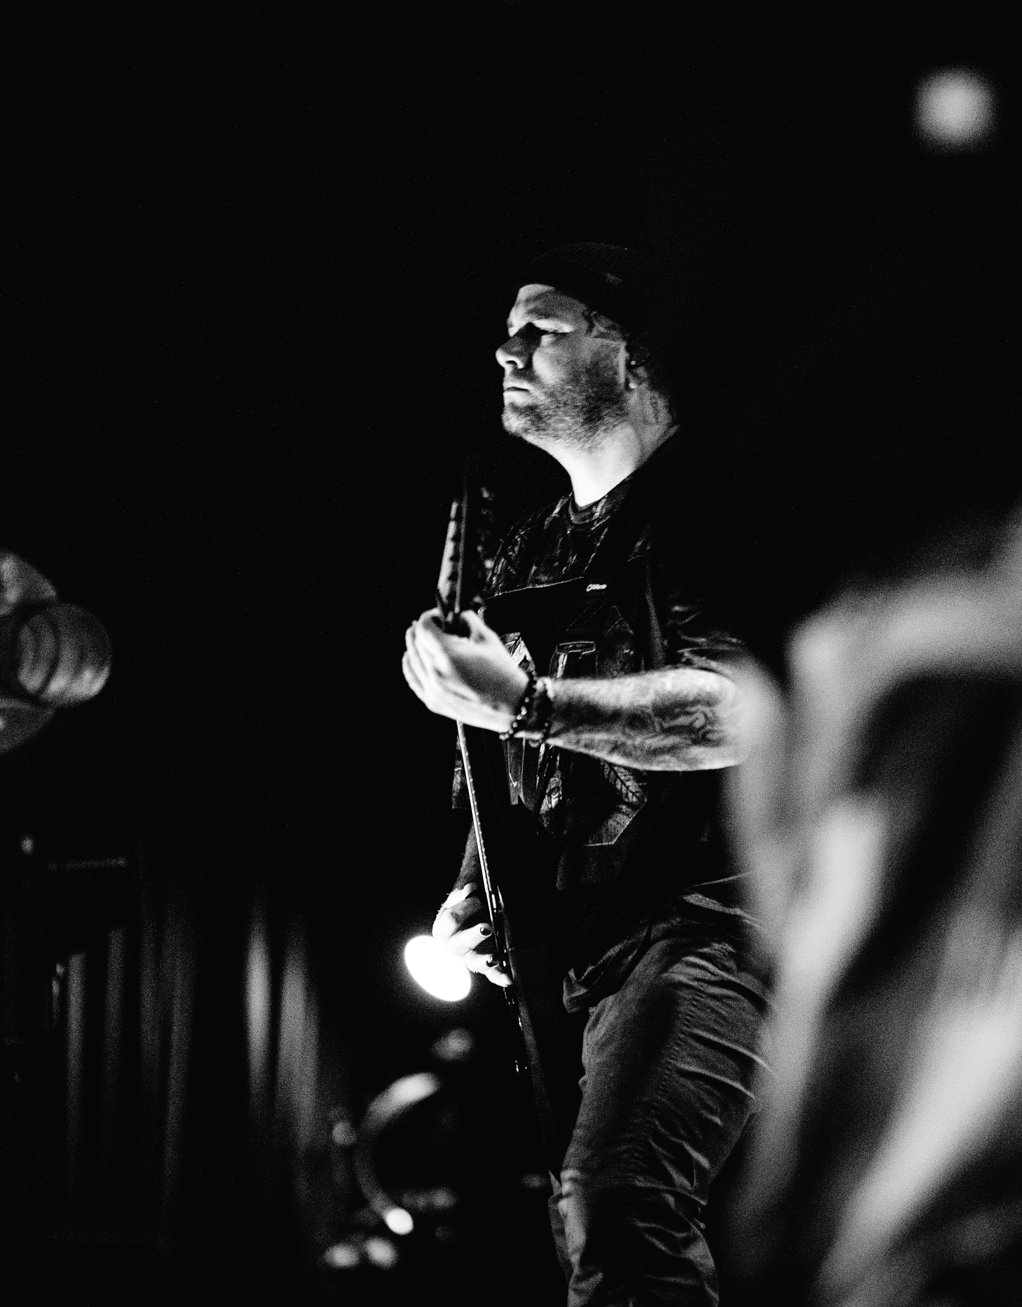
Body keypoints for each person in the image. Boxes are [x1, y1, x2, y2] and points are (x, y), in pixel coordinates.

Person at [399, 242, 768, 1306]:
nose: (505, 350)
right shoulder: (523, 550)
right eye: (507, 331)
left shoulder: (708, 507)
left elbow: (736, 710)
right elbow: (506, 766)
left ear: (633, 354)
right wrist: (476, 890)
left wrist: (525, 701)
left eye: (543, 329)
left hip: (714, 927)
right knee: (582, 1231)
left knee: (618, 1205)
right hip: (581, 954)